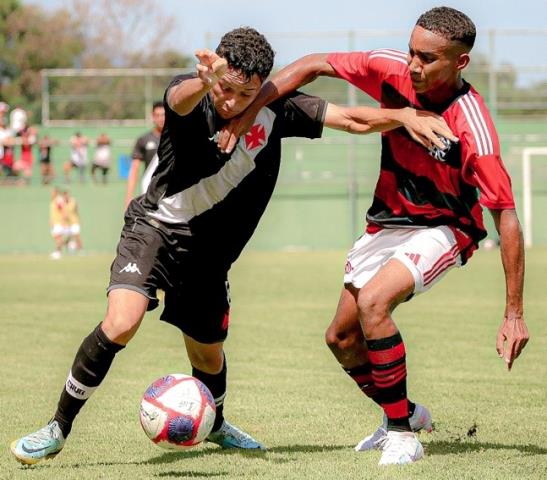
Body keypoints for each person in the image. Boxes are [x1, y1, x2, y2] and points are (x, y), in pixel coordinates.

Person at [10, 26, 456, 465]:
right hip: (156, 230)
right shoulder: (193, 98)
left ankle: (216, 422)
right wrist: (205, 81)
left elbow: (351, 119)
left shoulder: (278, 111)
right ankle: (57, 428)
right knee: (122, 320)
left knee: (207, 350)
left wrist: (402, 116)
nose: (231, 102)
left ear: (262, 88)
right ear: (215, 75)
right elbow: (180, 97)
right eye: (225, 89)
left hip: (208, 258)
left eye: (245, 96)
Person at [218, 7, 529, 466]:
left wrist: (514, 312)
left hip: (446, 228)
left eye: (428, 58)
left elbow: (506, 216)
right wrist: (252, 109)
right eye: (411, 52)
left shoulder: (473, 127)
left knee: (373, 304)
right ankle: (405, 413)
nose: (415, 65)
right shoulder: (393, 70)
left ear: (459, 63)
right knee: (341, 338)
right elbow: (314, 64)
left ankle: (402, 435)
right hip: (387, 222)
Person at [124, 101, 165, 207]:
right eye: (158, 115)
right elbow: (134, 169)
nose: (161, 118)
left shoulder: (175, 138)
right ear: (153, 117)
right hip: (150, 191)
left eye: (164, 115)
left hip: (171, 192)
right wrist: (129, 196)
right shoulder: (143, 139)